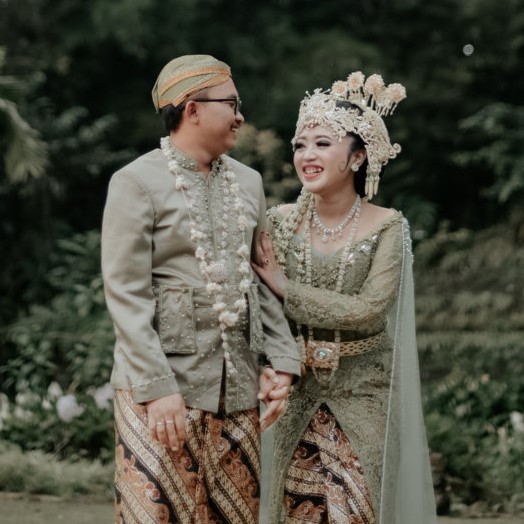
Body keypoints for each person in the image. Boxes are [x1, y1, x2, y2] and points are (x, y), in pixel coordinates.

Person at [101, 54, 301, 524]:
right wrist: (157, 388)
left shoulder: (248, 182)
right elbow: (126, 294)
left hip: (238, 388)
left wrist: (281, 361)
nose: (240, 115)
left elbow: (259, 276)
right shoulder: (136, 182)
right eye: (231, 103)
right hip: (161, 388)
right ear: (192, 109)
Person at [252, 72, 437, 523]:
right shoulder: (278, 222)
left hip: (365, 392)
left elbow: (369, 309)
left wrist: (286, 287)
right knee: (295, 508)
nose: (307, 155)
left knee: (356, 508)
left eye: (322, 143)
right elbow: (258, 307)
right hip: (295, 392)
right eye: (300, 145)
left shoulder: (388, 226)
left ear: (357, 157)